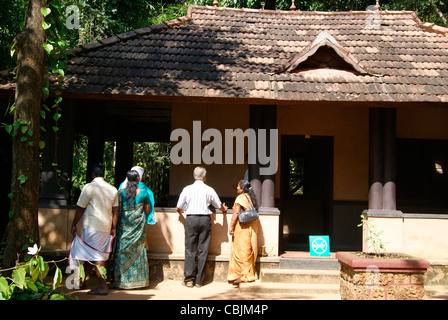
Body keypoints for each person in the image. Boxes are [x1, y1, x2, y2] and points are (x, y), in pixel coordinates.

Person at [69, 163, 119, 295]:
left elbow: (80, 208)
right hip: (105, 227)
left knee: (96, 257)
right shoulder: (113, 189)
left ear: (93, 174)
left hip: (91, 226)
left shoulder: (89, 187)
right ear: (104, 174)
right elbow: (115, 211)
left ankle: (102, 286)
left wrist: (74, 224)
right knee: (92, 254)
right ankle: (81, 280)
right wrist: (113, 228)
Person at [176, 167, 228, 288]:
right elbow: (218, 204)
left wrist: (179, 211)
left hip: (191, 219)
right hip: (205, 220)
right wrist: (224, 209)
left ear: (194, 176)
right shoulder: (209, 189)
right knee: (203, 250)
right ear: (204, 177)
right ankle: (199, 280)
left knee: (190, 249)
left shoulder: (187, 189)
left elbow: (179, 206)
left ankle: (189, 280)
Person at [113, 170, 151, 289]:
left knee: (121, 251)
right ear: (138, 179)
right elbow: (146, 210)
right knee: (138, 250)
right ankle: (139, 281)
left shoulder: (120, 193)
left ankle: (120, 281)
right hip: (138, 228)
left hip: (124, 227)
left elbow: (116, 211)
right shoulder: (144, 192)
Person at [228, 180, 259, 287]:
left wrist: (231, 226)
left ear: (242, 188)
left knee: (241, 251)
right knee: (248, 250)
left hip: (242, 228)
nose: (237, 188)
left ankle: (241, 276)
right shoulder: (251, 197)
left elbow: (236, 212)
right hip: (250, 228)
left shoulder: (240, 198)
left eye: (237, 186)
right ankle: (249, 275)